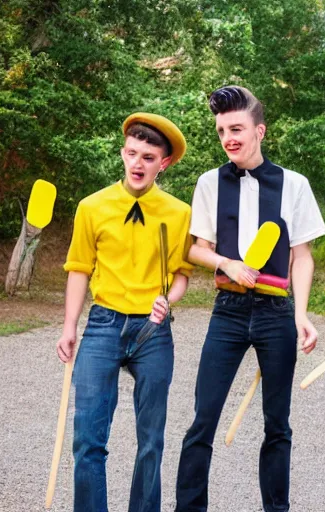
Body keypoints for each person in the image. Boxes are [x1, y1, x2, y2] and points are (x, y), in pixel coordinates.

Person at [175, 85, 325, 512]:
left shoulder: (294, 184)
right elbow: (194, 248)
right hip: (228, 311)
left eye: (236, 128)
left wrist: (301, 315)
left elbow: (302, 257)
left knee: (277, 424)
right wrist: (226, 263)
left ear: (260, 130)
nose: (228, 137)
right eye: (222, 130)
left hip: (276, 312)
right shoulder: (209, 182)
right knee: (203, 419)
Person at [56, 112, 193, 512]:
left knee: (151, 441)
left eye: (148, 157)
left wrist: (171, 299)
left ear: (163, 163)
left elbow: (182, 274)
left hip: (153, 331)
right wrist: (69, 327)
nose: (138, 163)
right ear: (122, 152)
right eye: (132, 153)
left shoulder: (178, 213)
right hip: (102, 325)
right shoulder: (91, 206)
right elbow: (79, 269)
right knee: (87, 439)